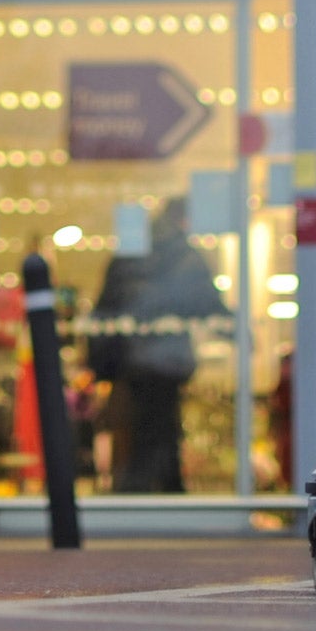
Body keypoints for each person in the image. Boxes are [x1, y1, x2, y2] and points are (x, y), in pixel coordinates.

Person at [86, 198, 226, 493]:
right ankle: (160, 491)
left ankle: (140, 492)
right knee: (161, 432)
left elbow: (106, 306)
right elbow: (205, 301)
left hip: (133, 360)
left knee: (141, 432)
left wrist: (102, 358)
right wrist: (234, 330)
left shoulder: (131, 253)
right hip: (165, 360)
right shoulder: (181, 253)